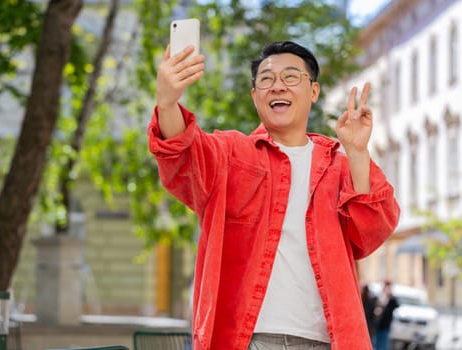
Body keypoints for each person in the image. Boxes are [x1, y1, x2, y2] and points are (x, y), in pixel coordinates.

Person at [148, 40, 400, 350]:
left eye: (291, 77)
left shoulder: (340, 164)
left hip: (328, 341)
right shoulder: (230, 155)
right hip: (250, 341)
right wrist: (167, 104)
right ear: (255, 96)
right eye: (266, 80)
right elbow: (181, 154)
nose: (277, 86)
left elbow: (372, 230)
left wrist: (359, 152)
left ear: (314, 92)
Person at [373, 280, 399, 350]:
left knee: (383, 345)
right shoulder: (379, 297)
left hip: (385, 326)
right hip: (377, 325)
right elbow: (373, 306)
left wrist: (390, 296)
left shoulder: (391, 299)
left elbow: (396, 305)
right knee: (376, 345)